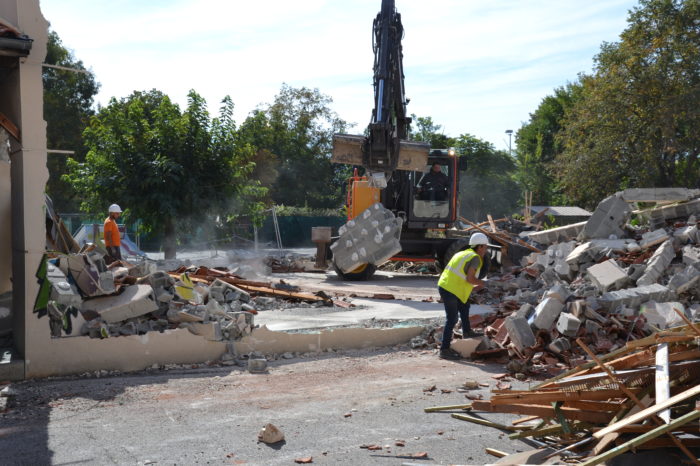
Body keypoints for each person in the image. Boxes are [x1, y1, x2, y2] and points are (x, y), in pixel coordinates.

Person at [436, 232, 495, 360]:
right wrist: (483, 283)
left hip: (448, 286)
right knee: (452, 319)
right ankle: (444, 349)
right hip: (450, 289)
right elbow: (470, 279)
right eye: (485, 247)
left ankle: (467, 332)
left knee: (465, 306)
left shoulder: (462, 253)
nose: (486, 250)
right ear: (479, 247)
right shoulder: (475, 258)